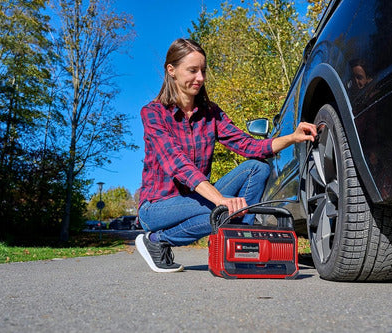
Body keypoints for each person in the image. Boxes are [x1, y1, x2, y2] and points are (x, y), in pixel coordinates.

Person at [136, 38, 317, 273]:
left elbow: (249, 145)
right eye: (192, 70)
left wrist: (292, 137)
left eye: (203, 70)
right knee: (220, 211)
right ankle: (156, 240)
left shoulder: (211, 113)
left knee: (257, 167)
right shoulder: (153, 113)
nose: (200, 78)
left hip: (197, 197)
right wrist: (220, 199)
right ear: (171, 70)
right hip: (157, 206)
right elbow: (178, 164)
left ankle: (242, 238)